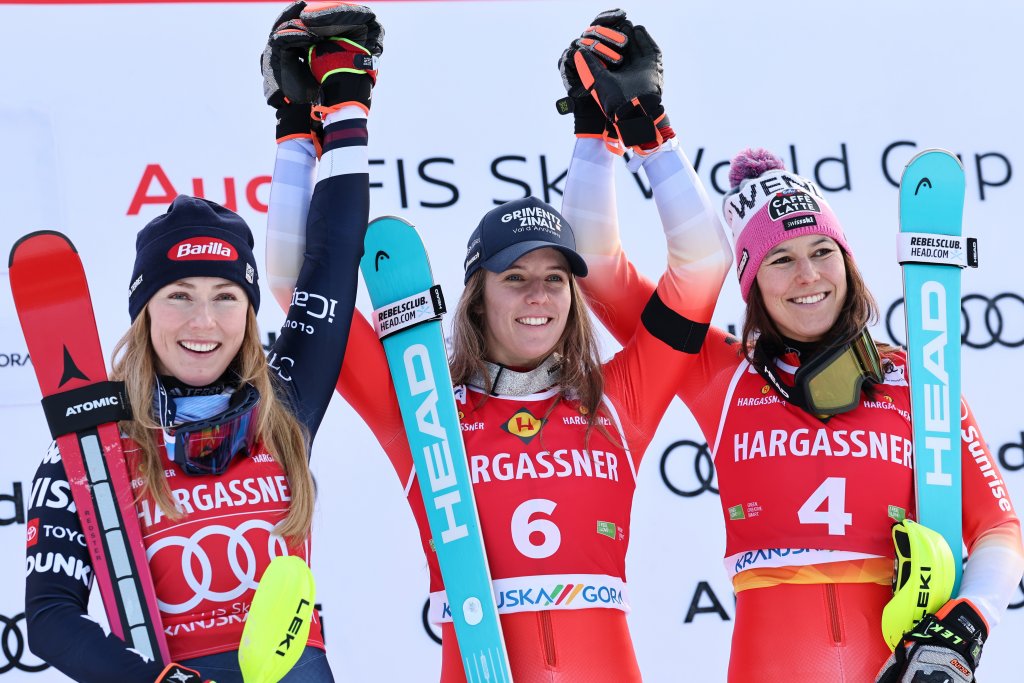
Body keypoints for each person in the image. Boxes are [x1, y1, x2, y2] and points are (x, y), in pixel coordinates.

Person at [560, 13, 1024, 683]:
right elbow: (597, 270)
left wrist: (967, 624)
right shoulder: (721, 376)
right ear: (751, 285)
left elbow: (1000, 528)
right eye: (780, 260)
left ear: (847, 262)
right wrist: (604, 138)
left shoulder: (916, 378)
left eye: (821, 251)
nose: (807, 275)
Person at [264, 20, 732, 683]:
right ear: (477, 299)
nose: (538, 295)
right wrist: (300, 135)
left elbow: (705, 264)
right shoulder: (421, 406)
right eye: (514, 277)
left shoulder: (617, 402)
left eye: (554, 279)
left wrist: (640, 129)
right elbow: (297, 283)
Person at [23, 4, 382, 681]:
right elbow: (49, 617)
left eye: (225, 297)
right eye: (179, 296)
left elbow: (333, 257)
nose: (203, 322)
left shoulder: (282, 406)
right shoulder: (94, 440)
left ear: (248, 312)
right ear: (144, 312)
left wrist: (342, 105)